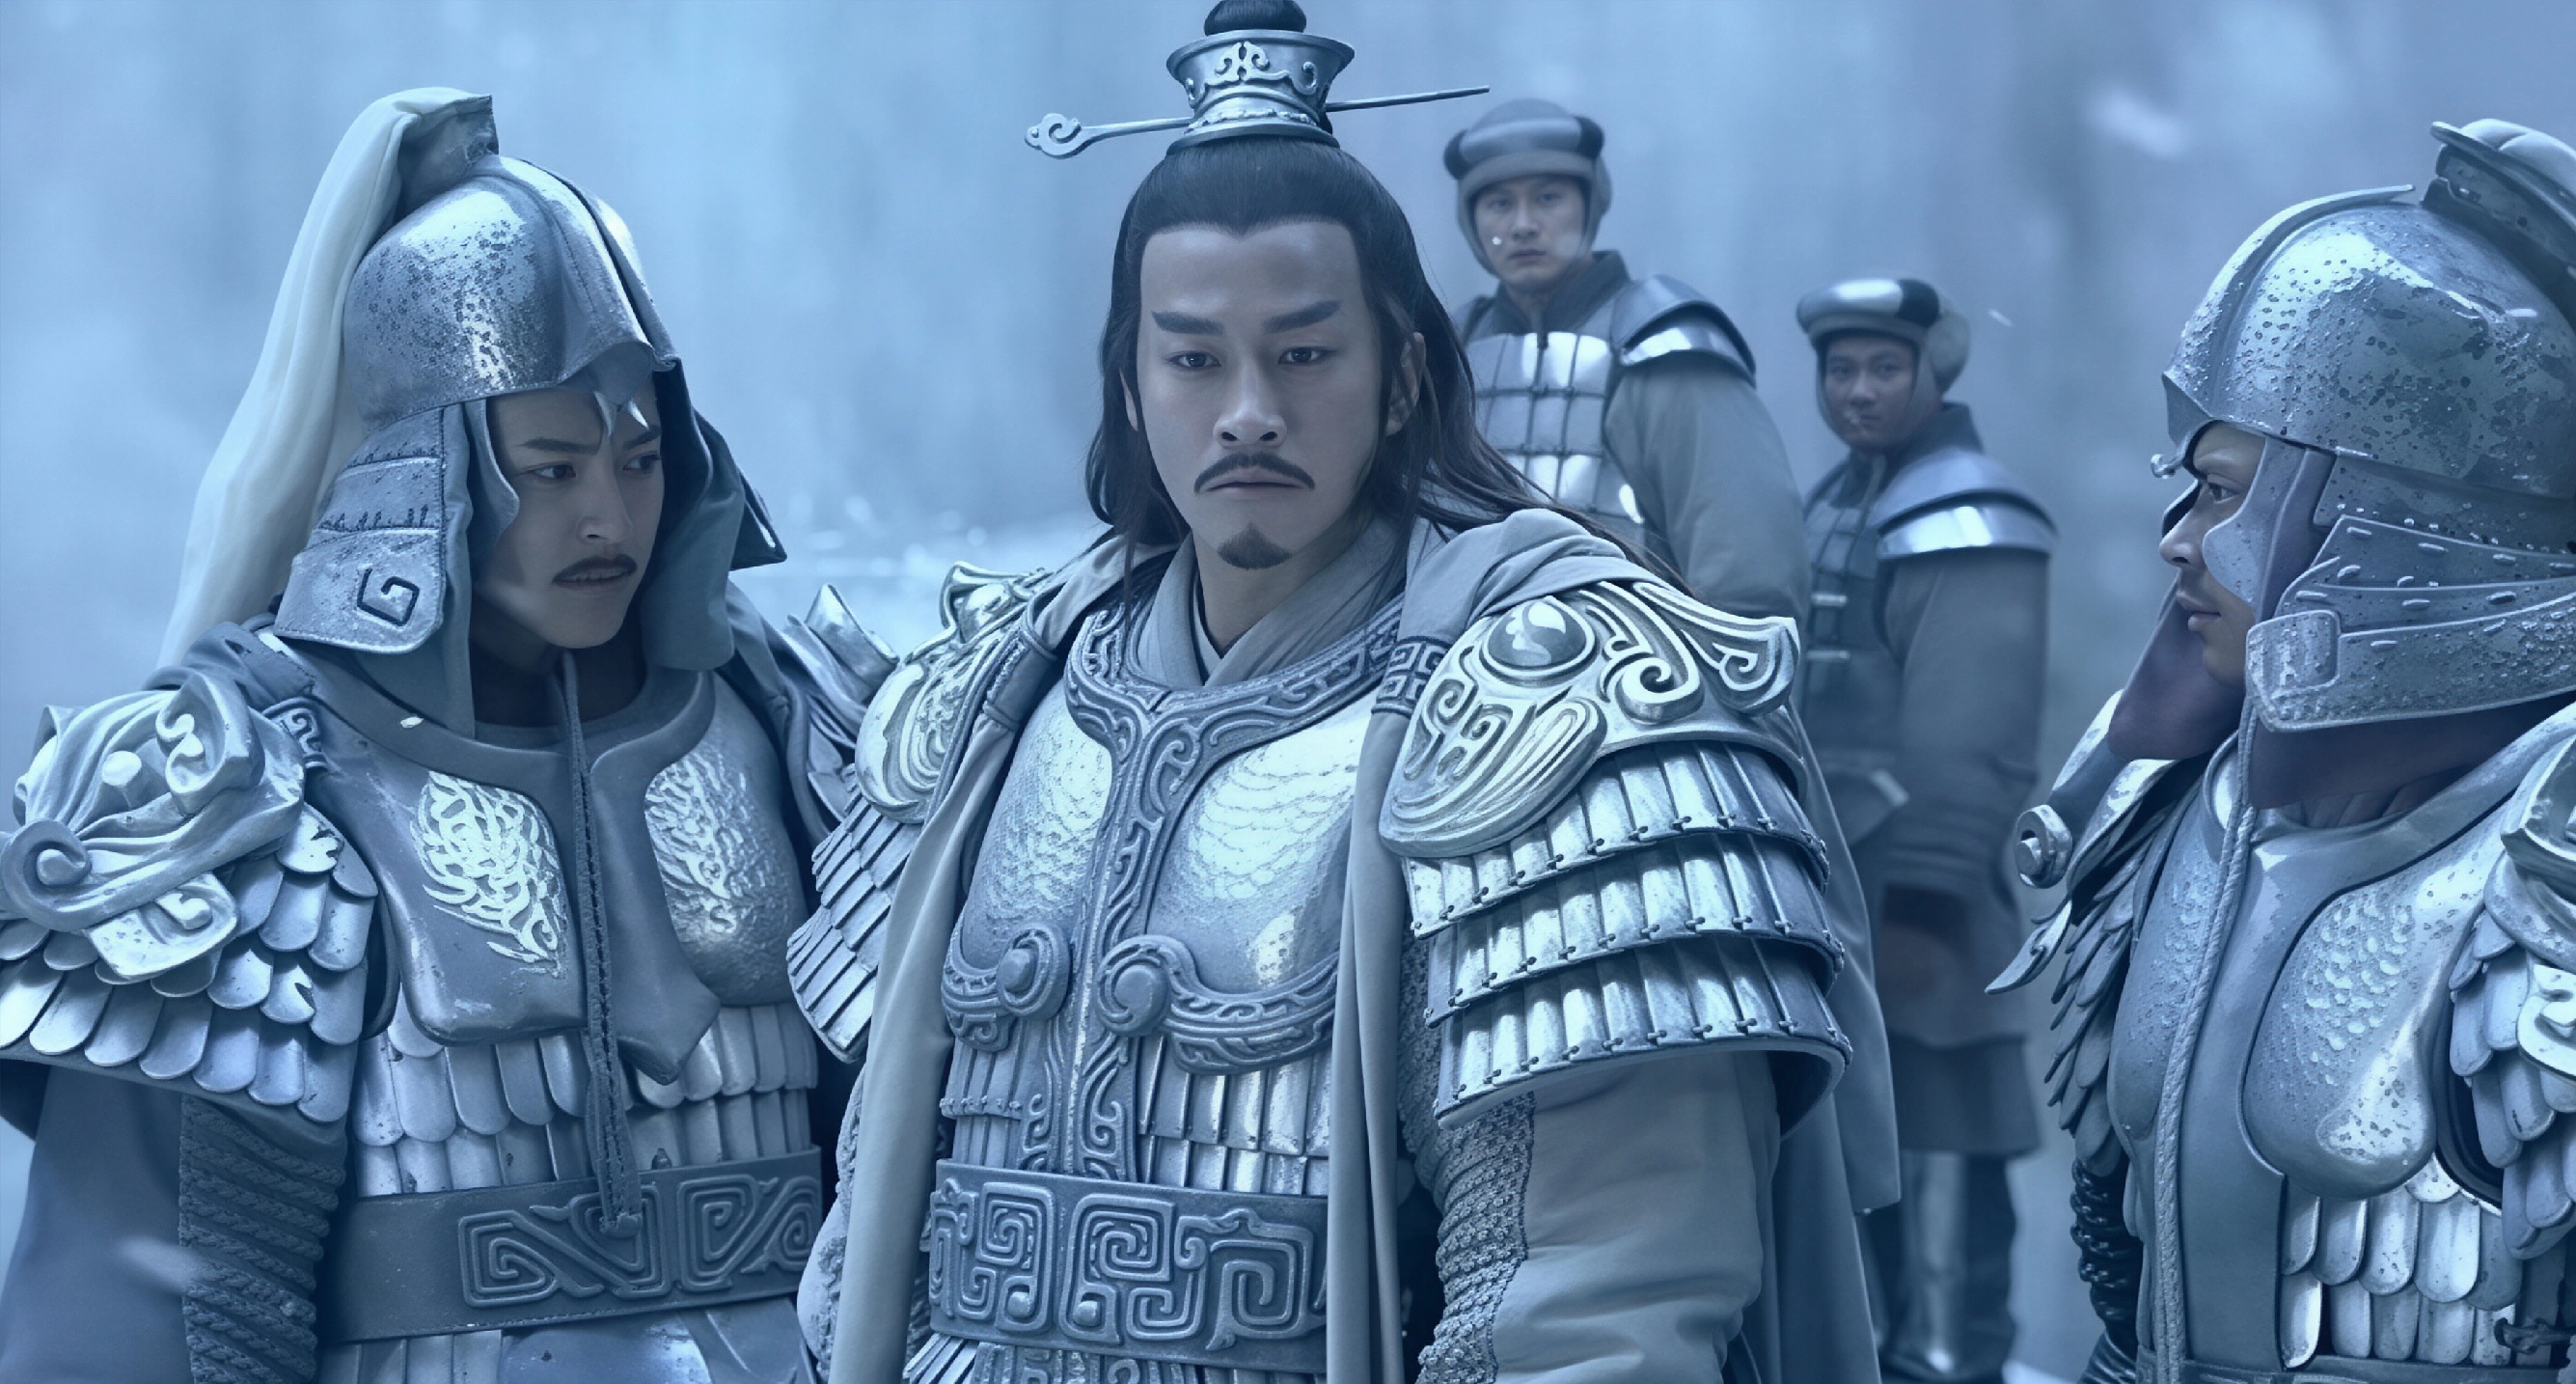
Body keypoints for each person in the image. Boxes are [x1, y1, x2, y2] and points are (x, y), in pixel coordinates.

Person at [787, 5, 1894, 1381]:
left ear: (1401, 375)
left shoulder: (1555, 717)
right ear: (1130, 387)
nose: (1248, 409)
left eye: (1304, 353)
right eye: (1194, 358)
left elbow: (1594, 1302)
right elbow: (871, 1220)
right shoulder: (999, 698)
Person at [0, 91, 892, 1382]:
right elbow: (157, 1299)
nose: (608, 515)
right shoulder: (248, 790)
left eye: (639, 459)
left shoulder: (792, 723)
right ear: (426, 472)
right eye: (551, 467)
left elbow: (911, 1172)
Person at [1995, 120, 2576, 1384]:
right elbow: (2121, 1275)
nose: (2176, 540)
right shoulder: (2165, 806)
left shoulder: (2557, 861)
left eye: (2224, 493)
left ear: (2381, 529)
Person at [1794, 277, 2052, 1384]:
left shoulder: (1966, 512)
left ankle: (1949, 1368)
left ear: (1932, 373)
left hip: (1918, 914)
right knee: (1860, 1157)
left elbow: (1972, 732)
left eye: (1884, 368)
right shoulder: (1840, 498)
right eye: (1841, 369)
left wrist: (1928, 908)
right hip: (1837, 892)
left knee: (1939, 1147)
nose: (1859, 390)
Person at [1442, 98, 1808, 623]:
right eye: (1499, 203)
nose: (1523, 225)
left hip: (1643, 664)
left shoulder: (1664, 347)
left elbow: (1748, 578)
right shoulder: (1449, 356)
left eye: (1548, 198)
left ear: (1591, 202)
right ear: (1470, 219)